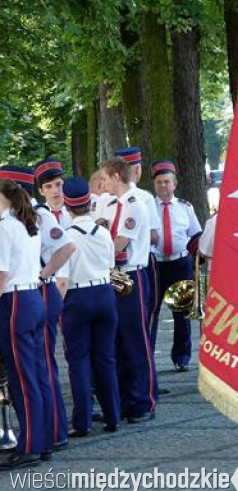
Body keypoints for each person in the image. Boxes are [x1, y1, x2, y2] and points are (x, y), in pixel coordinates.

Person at [55, 177, 120, 437]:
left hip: (77, 298)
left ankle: (82, 422)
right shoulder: (103, 232)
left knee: (78, 360)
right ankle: (113, 415)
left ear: (68, 207)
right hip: (104, 293)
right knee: (106, 357)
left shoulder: (66, 237)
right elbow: (110, 265)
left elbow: (62, 279)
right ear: (89, 204)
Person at [99, 157, 158, 423]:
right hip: (114, 275)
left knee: (136, 338)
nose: (102, 183)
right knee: (118, 339)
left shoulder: (135, 205)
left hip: (132, 275)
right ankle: (125, 398)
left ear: (116, 177)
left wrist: (93, 247)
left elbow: (120, 243)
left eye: (105, 178)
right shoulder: (112, 205)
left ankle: (144, 400)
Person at [0, 173, 48, 469]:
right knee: (36, 374)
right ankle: (40, 441)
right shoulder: (26, 223)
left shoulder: (5, 226)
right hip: (32, 298)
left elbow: (2, 273)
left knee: (22, 377)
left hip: (14, 300)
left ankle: (29, 445)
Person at [32, 158, 74, 452]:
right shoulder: (40, 213)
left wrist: (42, 276)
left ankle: (57, 429)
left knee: (47, 362)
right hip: (50, 290)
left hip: (52, 290)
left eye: (59, 184)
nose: (57, 190)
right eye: (51, 186)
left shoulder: (45, 216)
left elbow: (67, 249)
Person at [148, 160, 201, 370]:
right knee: (151, 312)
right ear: (154, 184)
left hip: (180, 263)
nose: (163, 186)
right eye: (159, 182)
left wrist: (199, 261)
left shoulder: (185, 208)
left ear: (175, 184)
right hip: (155, 265)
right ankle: (147, 358)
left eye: (167, 182)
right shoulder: (146, 206)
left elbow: (195, 236)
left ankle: (181, 358)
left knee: (181, 313)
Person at [114, 148, 160, 343]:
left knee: (131, 318)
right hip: (127, 265)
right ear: (137, 169)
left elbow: (153, 235)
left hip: (126, 263)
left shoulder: (140, 198)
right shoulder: (141, 197)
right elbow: (154, 235)